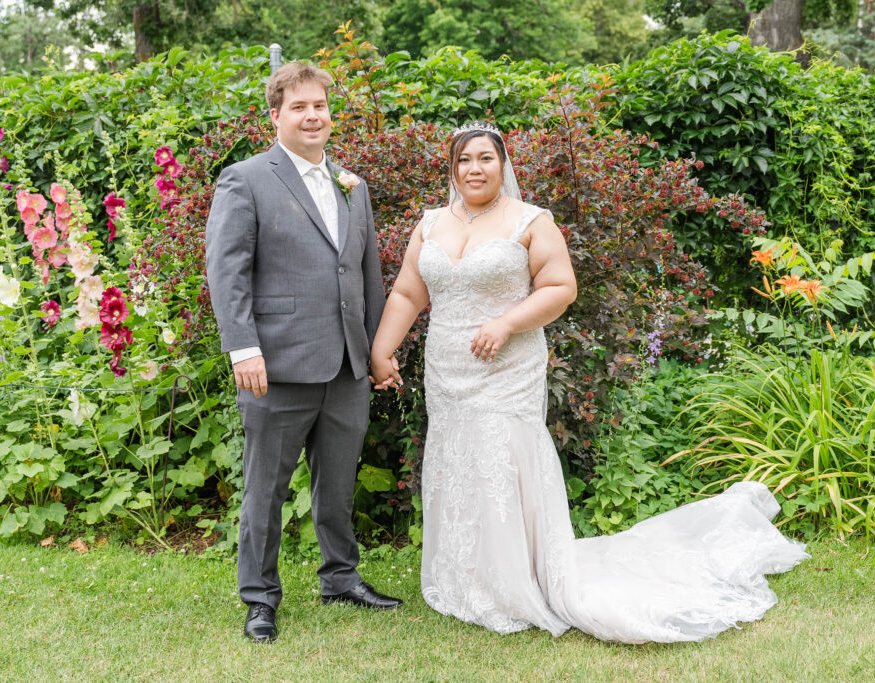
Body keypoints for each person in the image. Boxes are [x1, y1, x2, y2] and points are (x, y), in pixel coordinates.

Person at [370, 121, 809, 643]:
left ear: (503, 165)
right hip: (448, 370)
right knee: (459, 458)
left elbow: (560, 287)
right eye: (464, 160)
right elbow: (406, 294)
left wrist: (507, 323)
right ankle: (466, 576)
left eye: (485, 158)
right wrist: (382, 350)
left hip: (507, 366)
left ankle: (518, 579)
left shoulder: (530, 221)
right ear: (452, 168)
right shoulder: (431, 224)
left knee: (501, 457)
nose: (474, 169)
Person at [206, 62, 401, 644]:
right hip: (276, 365)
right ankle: (260, 598)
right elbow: (227, 272)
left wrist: (372, 353)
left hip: (345, 367)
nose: (312, 115)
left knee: (337, 483)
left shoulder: (352, 185)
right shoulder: (245, 179)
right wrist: (243, 347)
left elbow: (366, 274)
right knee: (265, 488)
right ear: (275, 115)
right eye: (299, 107)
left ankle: (341, 576)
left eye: (320, 105)